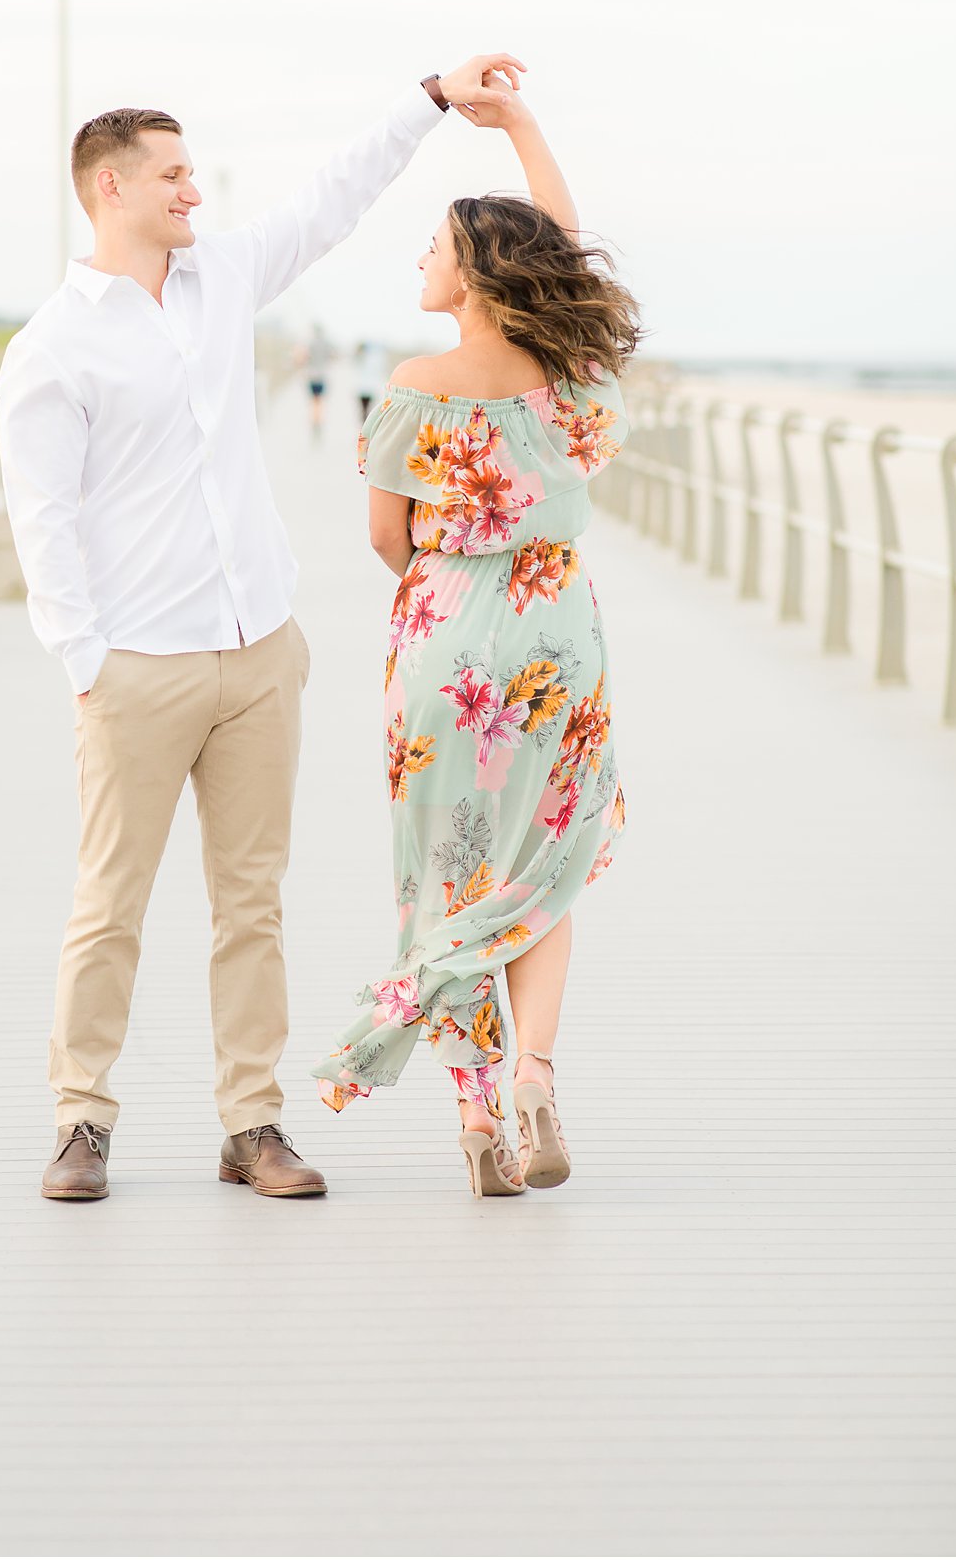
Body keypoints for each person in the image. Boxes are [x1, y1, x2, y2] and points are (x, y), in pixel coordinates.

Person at [0, 55, 526, 1204]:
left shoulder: (222, 279)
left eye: (193, 172)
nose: (194, 192)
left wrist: (429, 96)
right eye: (172, 176)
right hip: (134, 662)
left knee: (252, 903)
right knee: (109, 904)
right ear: (108, 190)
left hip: (256, 651)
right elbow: (40, 520)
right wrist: (84, 660)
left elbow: (332, 198)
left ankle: (252, 1125)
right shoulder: (51, 346)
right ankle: (81, 1119)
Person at [311, 81, 641, 1198]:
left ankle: (476, 1123)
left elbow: (383, 538)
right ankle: (537, 1078)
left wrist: (450, 598)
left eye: (434, 249)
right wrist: (524, 134)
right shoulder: (573, 378)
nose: (418, 262)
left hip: (447, 638)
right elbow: (571, 262)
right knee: (540, 875)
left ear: (474, 275)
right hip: (556, 628)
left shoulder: (413, 388)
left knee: (449, 879)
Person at [303, 325, 336, 436]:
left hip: (312, 376)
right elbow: (332, 356)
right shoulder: (326, 344)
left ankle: (314, 420)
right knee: (320, 401)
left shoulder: (310, 344)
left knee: (313, 401)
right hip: (322, 376)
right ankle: (319, 421)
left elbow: (305, 357)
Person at [352, 337, 387, 425]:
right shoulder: (374, 360)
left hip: (362, 389)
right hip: (370, 388)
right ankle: (366, 425)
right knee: (369, 409)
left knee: (364, 408)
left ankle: (363, 426)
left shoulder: (360, 358)